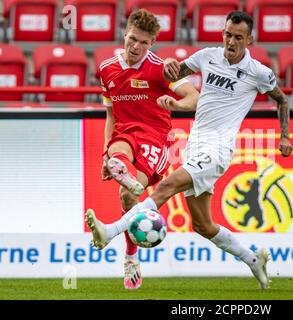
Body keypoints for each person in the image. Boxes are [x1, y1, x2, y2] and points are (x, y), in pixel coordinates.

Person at [86, 10, 293, 290]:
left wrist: (285, 137)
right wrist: (172, 65)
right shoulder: (207, 56)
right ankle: (253, 259)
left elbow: (282, 100)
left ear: (249, 39)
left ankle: (110, 231)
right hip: (196, 143)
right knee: (203, 225)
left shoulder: (259, 72)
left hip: (219, 146)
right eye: (228, 35)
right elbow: (173, 73)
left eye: (238, 38)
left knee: (166, 186)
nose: (231, 42)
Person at [97, 9, 199, 290]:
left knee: (128, 198)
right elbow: (110, 116)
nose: (135, 46)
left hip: (154, 138)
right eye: (132, 39)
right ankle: (119, 167)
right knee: (119, 156)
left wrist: (175, 105)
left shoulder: (160, 68)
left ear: (152, 43)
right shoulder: (106, 68)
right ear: (124, 34)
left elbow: (194, 97)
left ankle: (131, 255)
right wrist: (105, 155)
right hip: (124, 132)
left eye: (142, 42)